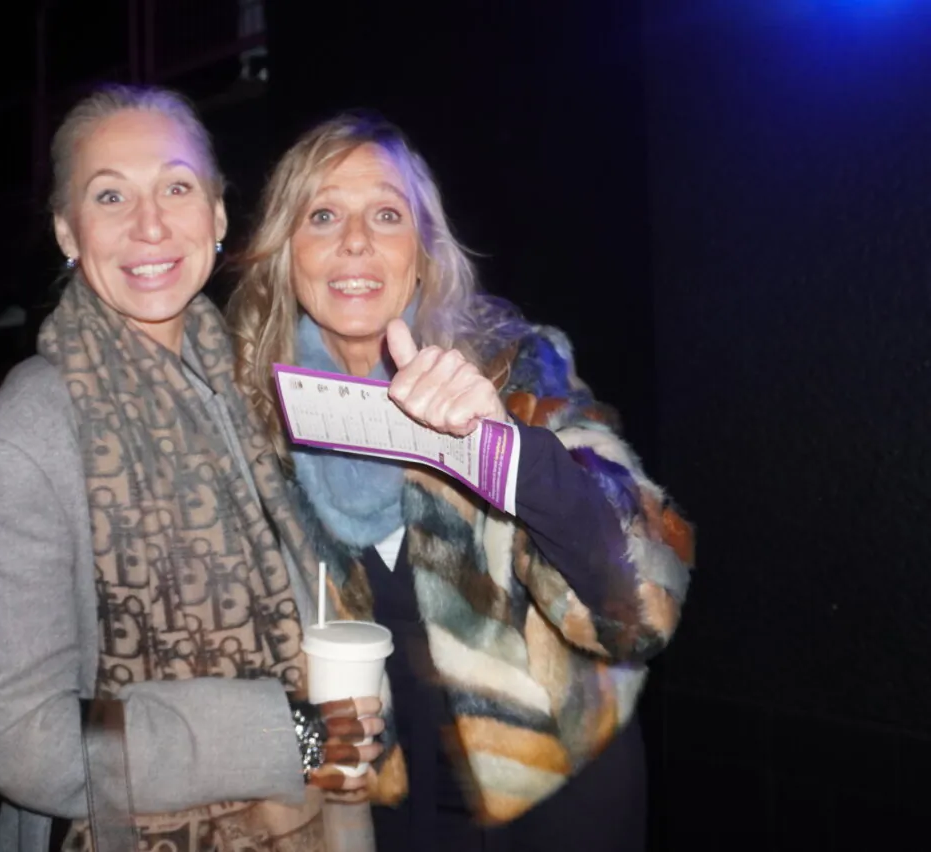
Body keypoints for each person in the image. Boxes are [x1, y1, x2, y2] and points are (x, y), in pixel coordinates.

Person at [227, 113, 695, 852]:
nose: (355, 239)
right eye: (323, 214)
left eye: (386, 213)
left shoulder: (515, 371)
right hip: (386, 821)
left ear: (422, 253)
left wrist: (501, 453)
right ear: (287, 253)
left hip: (562, 803)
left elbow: (644, 605)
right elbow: (250, 658)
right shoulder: (254, 425)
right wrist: (313, 754)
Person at [0, 85, 385, 852]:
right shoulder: (26, 439)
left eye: (176, 188)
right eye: (109, 196)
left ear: (216, 217)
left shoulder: (249, 390)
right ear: (66, 232)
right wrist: (291, 736)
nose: (149, 225)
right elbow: (10, 736)